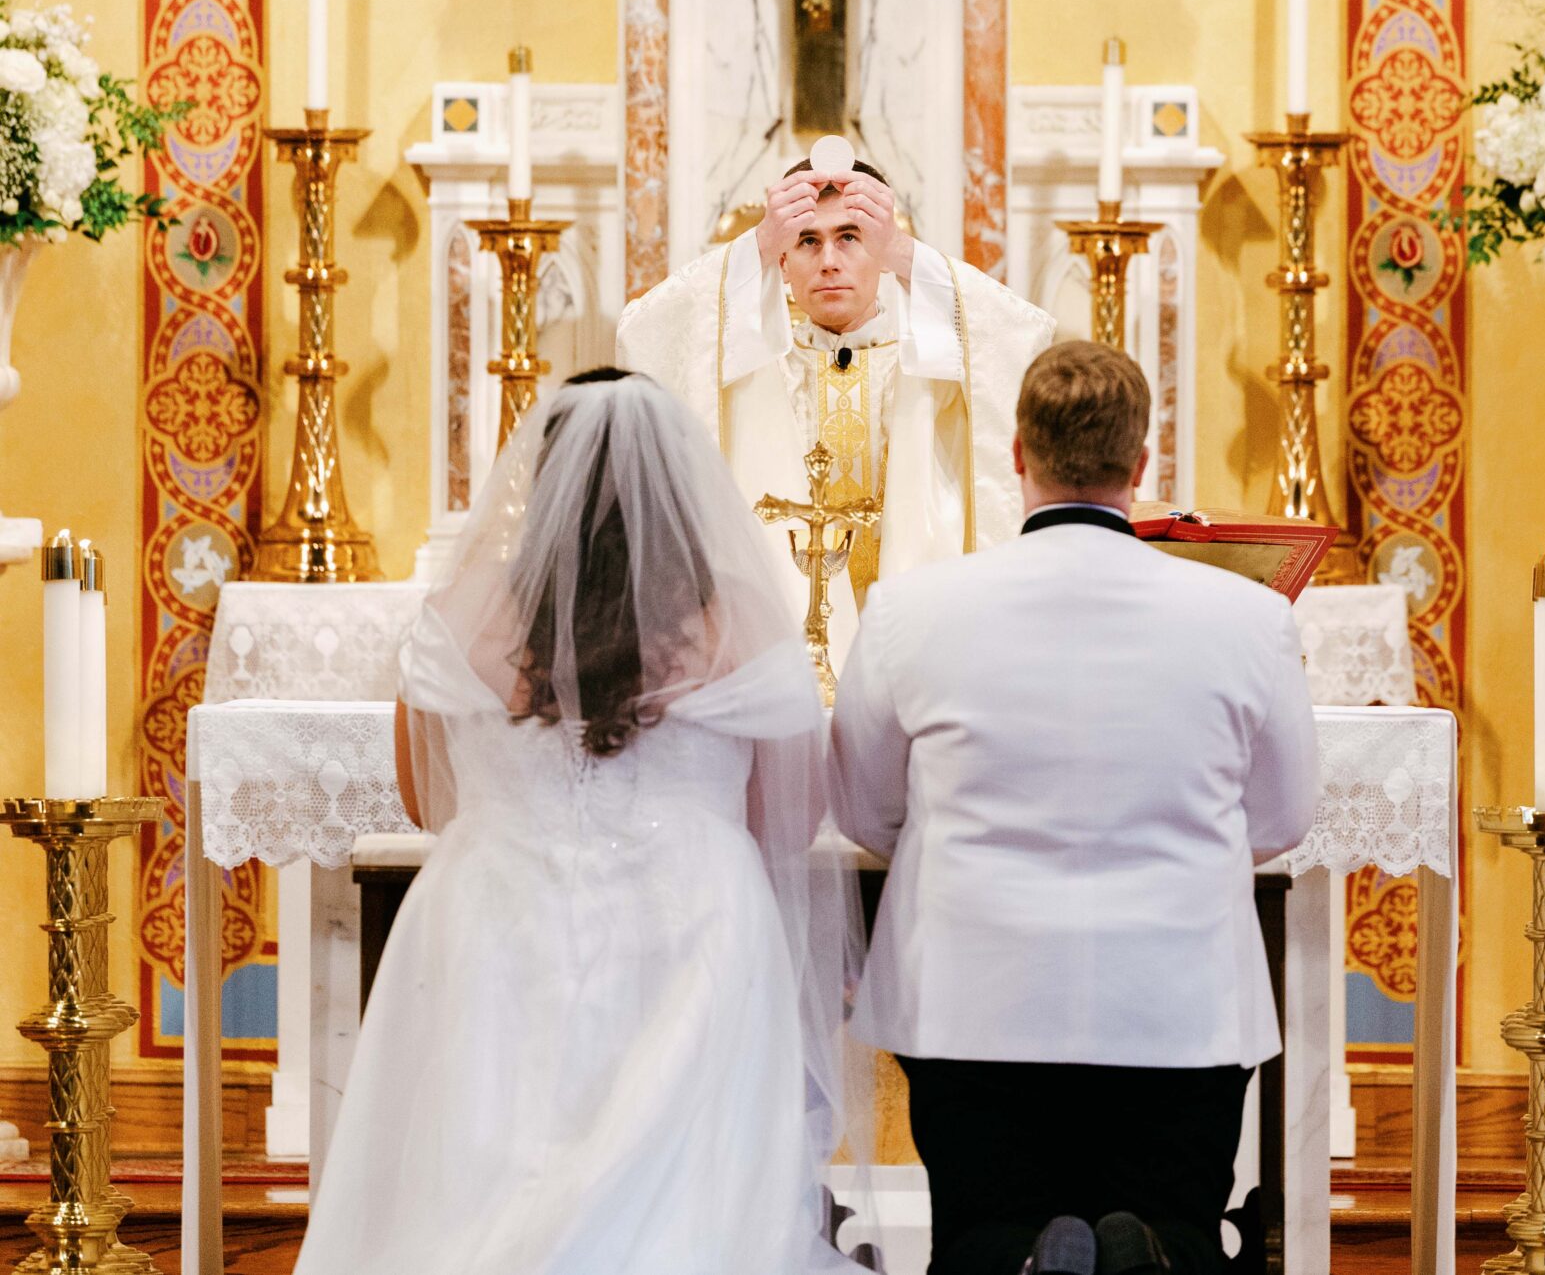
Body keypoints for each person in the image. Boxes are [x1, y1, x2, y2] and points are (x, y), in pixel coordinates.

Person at [294, 369, 861, 1275]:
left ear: (543, 476)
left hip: (497, 911)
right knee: (685, 1202)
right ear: (680, 482)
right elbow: (791, 817)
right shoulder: (735, 618)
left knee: (485, 1173)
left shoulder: (467, 608)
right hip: (695, 923)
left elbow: (421, 794)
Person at [830, 341, 1319, 1275]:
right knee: (1176, 1215)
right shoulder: (1248, 619)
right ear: (1141, 464)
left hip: (975, 1001)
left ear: (1018, 453)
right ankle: (1157, 1253)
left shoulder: (909, 611)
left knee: (980, 1226)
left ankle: (1017, 1255)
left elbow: (862, 805)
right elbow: (1283, 816)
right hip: (1178, 1004)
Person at [616, 156, 1056, 667]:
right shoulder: (749, 365)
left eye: (850, 236)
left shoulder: (934, 364)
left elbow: (1020, 336)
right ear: (783, 260)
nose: (828, 260)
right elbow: (645, 333)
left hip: (915, 656)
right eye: (807, 240)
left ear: (883, 251)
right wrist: (759, 240)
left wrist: (902, 248)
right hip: (782, 662)